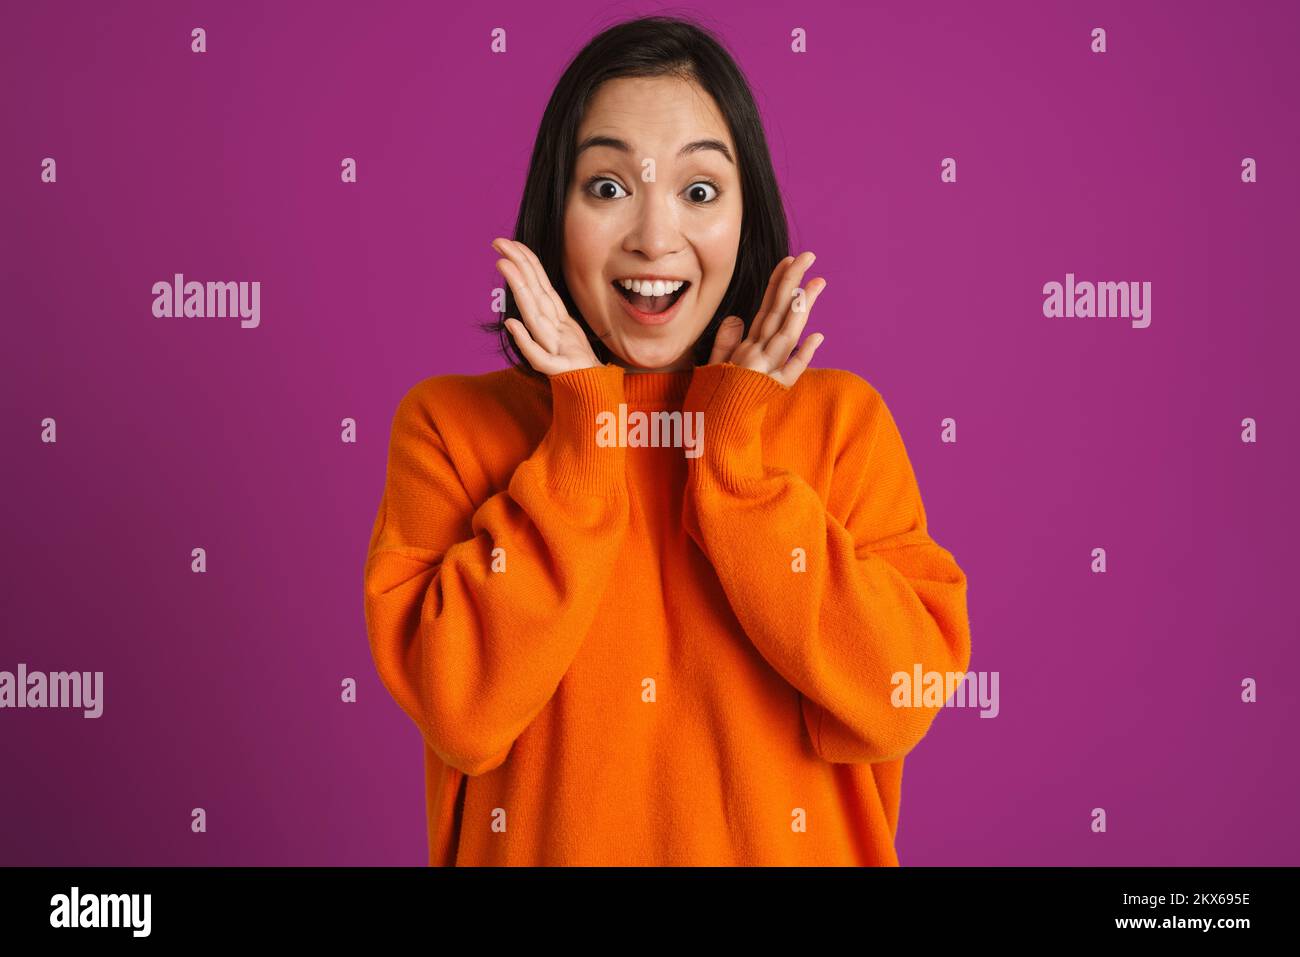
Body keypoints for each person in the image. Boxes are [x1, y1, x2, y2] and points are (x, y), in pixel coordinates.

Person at [362, 14, 971, 866]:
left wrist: (733, 466)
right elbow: (463, 712)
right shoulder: (449, 429)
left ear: (745, 212)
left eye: (698, 190)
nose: (654, 236)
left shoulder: (841, 423)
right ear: (554, 209)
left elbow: (893, 699)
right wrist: (584, 440)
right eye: (607, 188)